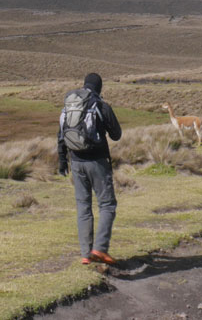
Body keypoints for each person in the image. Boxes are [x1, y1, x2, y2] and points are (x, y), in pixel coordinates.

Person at [57, 73, 123, 265]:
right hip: (98, 162)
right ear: (99, 87)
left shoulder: (69, 106)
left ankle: (86, 254)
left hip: (76, 163)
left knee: (83, 207)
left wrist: (63, 161)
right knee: (107, 205)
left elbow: (61, 136)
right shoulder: (101, 106)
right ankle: (100, 249)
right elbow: (117, 135)